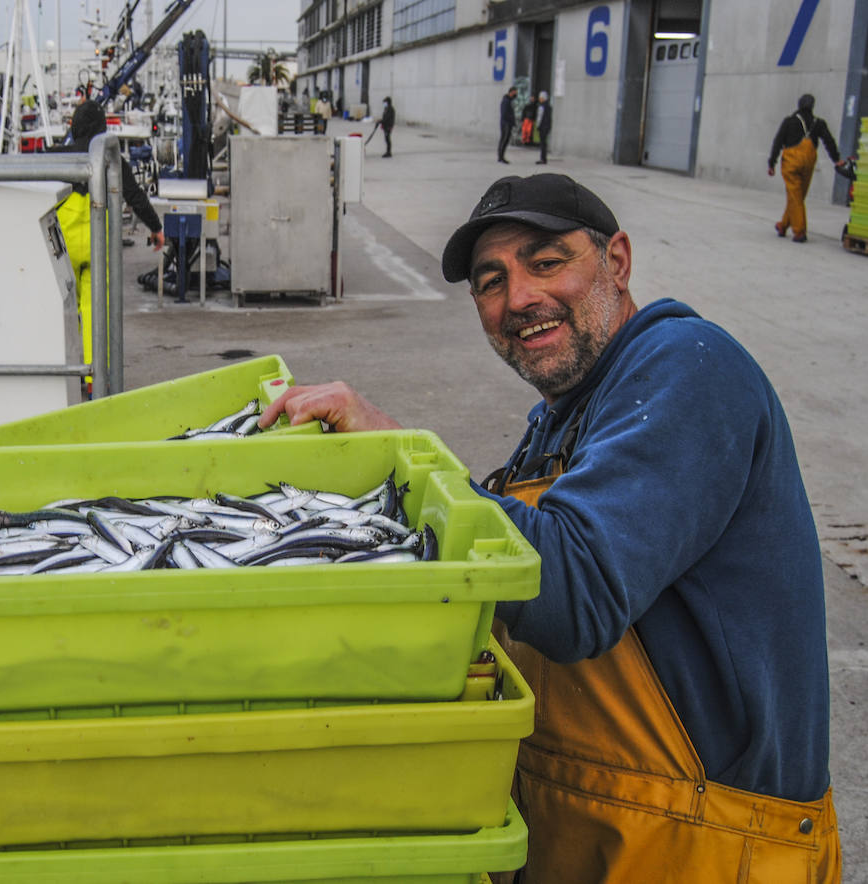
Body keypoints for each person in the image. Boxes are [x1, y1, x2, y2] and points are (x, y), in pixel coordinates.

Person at [258, 173, 842, 881]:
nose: (519, 300)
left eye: (546, 262)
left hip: (708, 846)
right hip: (591, 830)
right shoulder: (562, 416)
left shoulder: (691, 370)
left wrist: (400, 455)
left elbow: (575, 591)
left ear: (617, 261)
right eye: (491, 281)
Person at [52, 99, 164, 343]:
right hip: (98, 242)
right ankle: (96, 377)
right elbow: (136, 196)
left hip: (62, 244)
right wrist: (155, 227)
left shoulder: (55, 156)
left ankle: (66, 373)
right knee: (96, 311)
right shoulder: (112, 159)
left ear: (74, 126)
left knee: (61, 309)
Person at [768, 93, 846, 242]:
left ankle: (799, 232)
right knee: (797, 196)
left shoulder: (789, 121)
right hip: (808, 163)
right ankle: (783, 225)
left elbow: (777, 142)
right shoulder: (819, 123)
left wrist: (772, 163)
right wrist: (836, 159)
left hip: (791, 162)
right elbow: (829, 141)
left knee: (794, 196)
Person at [497, 86, 518, 164]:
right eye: (515, 92)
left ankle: (501, 157)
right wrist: (510, 120)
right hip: (506, 124)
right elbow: (504, 113)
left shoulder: (509, 101)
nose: (516, 94)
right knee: (504, 140)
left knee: (504, 140)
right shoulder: (506, 101)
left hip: (507, 123)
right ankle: (500, 157)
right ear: (511, 92)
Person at [532, 90, 552, 164]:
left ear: (543, 98)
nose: (539, 99)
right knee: (544, 143)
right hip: (547, 127)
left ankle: (542, 159)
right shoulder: (549, 106)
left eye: (540, 97)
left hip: (542, 127)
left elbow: (539, 117)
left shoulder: (542, 107)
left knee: (542, 143)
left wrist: (537, 126)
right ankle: (544, 158)